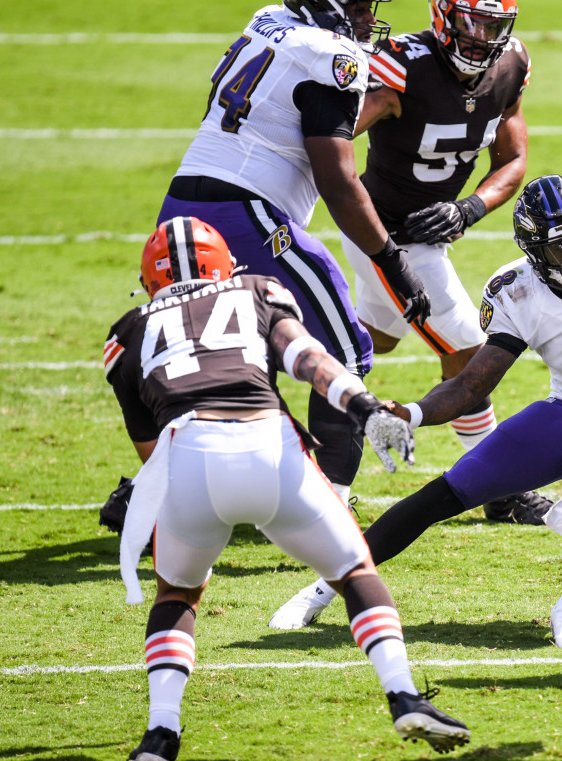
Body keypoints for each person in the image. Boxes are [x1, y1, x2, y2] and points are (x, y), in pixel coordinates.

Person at [105, 217, 467, 761]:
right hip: (267, 449)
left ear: (151, 280)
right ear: (224, 264)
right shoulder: (256, 291)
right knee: (353, 573)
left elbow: (150, 451)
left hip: (188, 458)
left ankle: (160, 734)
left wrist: (144, 496)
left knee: (177, 595)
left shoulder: (128, 331)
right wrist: (364, 406)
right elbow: (309, 360)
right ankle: (403, 696)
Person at [330, 175, 562, 651]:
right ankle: (326, 587)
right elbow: (471, 384)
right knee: (444, 493)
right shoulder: (516, 289)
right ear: (532, 251)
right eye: (557, 248)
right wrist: (411, 414)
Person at [268, 0, 548, 631]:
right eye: (471, 24)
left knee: (369, 345)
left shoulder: (511, 65)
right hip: (386, 238)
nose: (482, 40)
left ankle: (262, 361)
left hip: (430, 234)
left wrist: (471, 208)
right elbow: (329, 146)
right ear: (444, 18)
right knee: (470, 351)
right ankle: (500, 489)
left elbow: (512, 160)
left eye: (493, 27)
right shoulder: (401, 67)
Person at [154, 0, 430, 505]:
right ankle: (329, 508)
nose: (369, 17)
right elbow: (338, 181)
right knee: (345, 349)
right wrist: (392, 260)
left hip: (179, 209)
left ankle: (177, 488)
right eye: (359, 6)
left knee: (234, 359)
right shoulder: (332, 55)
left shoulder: (268, 19)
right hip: (244, 214)